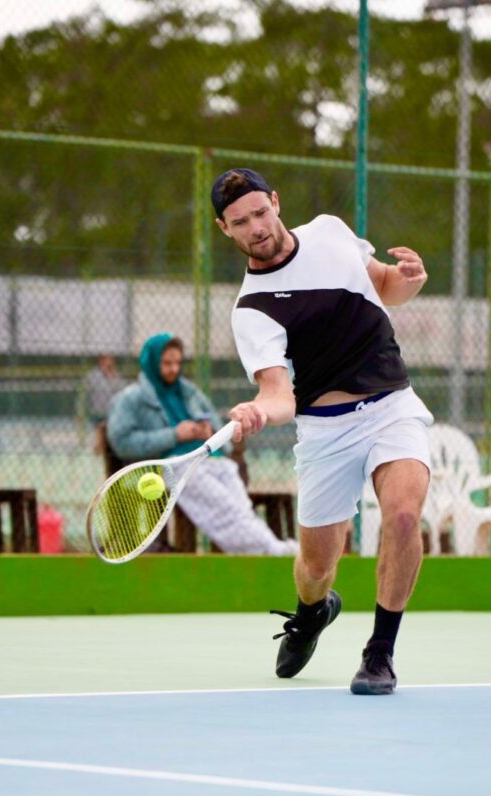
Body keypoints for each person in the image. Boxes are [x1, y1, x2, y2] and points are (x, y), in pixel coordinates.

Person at [214, 168, 432, 696]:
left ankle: (380, 653)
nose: (256, 228)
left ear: (276, 201)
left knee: (403, 516)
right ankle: (313, 612)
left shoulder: (331, 232)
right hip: (324, 431)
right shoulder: (252, 309)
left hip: (391, 406)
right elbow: (278, 393)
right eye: (241, 222)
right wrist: (258, 412)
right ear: (226, 229)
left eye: (260, 213)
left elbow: (383, 286)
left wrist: (409, 279)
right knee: (316, 567)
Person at [106, 332, 298, 557]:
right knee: (225, 512)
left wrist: (207, 431)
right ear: (151, 361)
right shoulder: (131, 398)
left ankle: (270, 548)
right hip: (175, 467)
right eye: (167, 363)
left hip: (213, 461)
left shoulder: (188, 392)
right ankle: (273, 552)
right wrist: (175, 435)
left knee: (240, 511)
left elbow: (217, 428)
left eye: (177, 362)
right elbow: (121, 442)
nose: (173, 369)